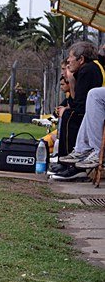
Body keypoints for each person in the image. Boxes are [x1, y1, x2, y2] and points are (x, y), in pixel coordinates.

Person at [53, 41, 104, 180]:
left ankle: (78, 161)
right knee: (70, 113)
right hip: (95, 109)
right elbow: (79, 101)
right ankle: (79, 153)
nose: (68, 61)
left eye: (71, 57)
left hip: (99, 110)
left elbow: (79, 103)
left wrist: (71, 81)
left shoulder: (88, 69)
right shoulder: (88, 68)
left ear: (81, 59)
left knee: (70, 115)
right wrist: (71, 80)